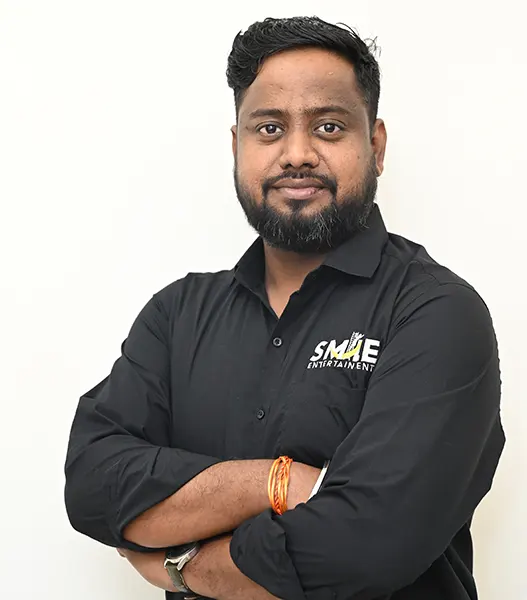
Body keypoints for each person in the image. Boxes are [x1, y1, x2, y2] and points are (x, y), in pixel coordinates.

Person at [64, 15, 505, 600]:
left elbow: (364, 547)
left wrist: (180, 565)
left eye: (328, 126)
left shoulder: (437, 314)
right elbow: (92, 486)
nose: (297, 154)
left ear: (375, 146)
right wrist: (275, 482)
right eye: (269, 128)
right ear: (237, 146)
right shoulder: (176, 317)